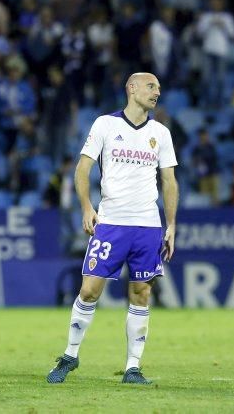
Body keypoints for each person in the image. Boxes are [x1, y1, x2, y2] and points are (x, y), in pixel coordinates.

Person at [46, 72, 179, 385]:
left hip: (147, 225)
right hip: (111, 223)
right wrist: (86, 207)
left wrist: (171, 224)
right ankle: (70, 356)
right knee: (89, 290)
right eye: (151, 87)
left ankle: (133, 367)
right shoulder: (105, 124)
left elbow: (170, 181)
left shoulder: (160, 133)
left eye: (159, 88)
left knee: (141, 293)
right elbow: (82, 169)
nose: (156, 93)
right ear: (131, 89)